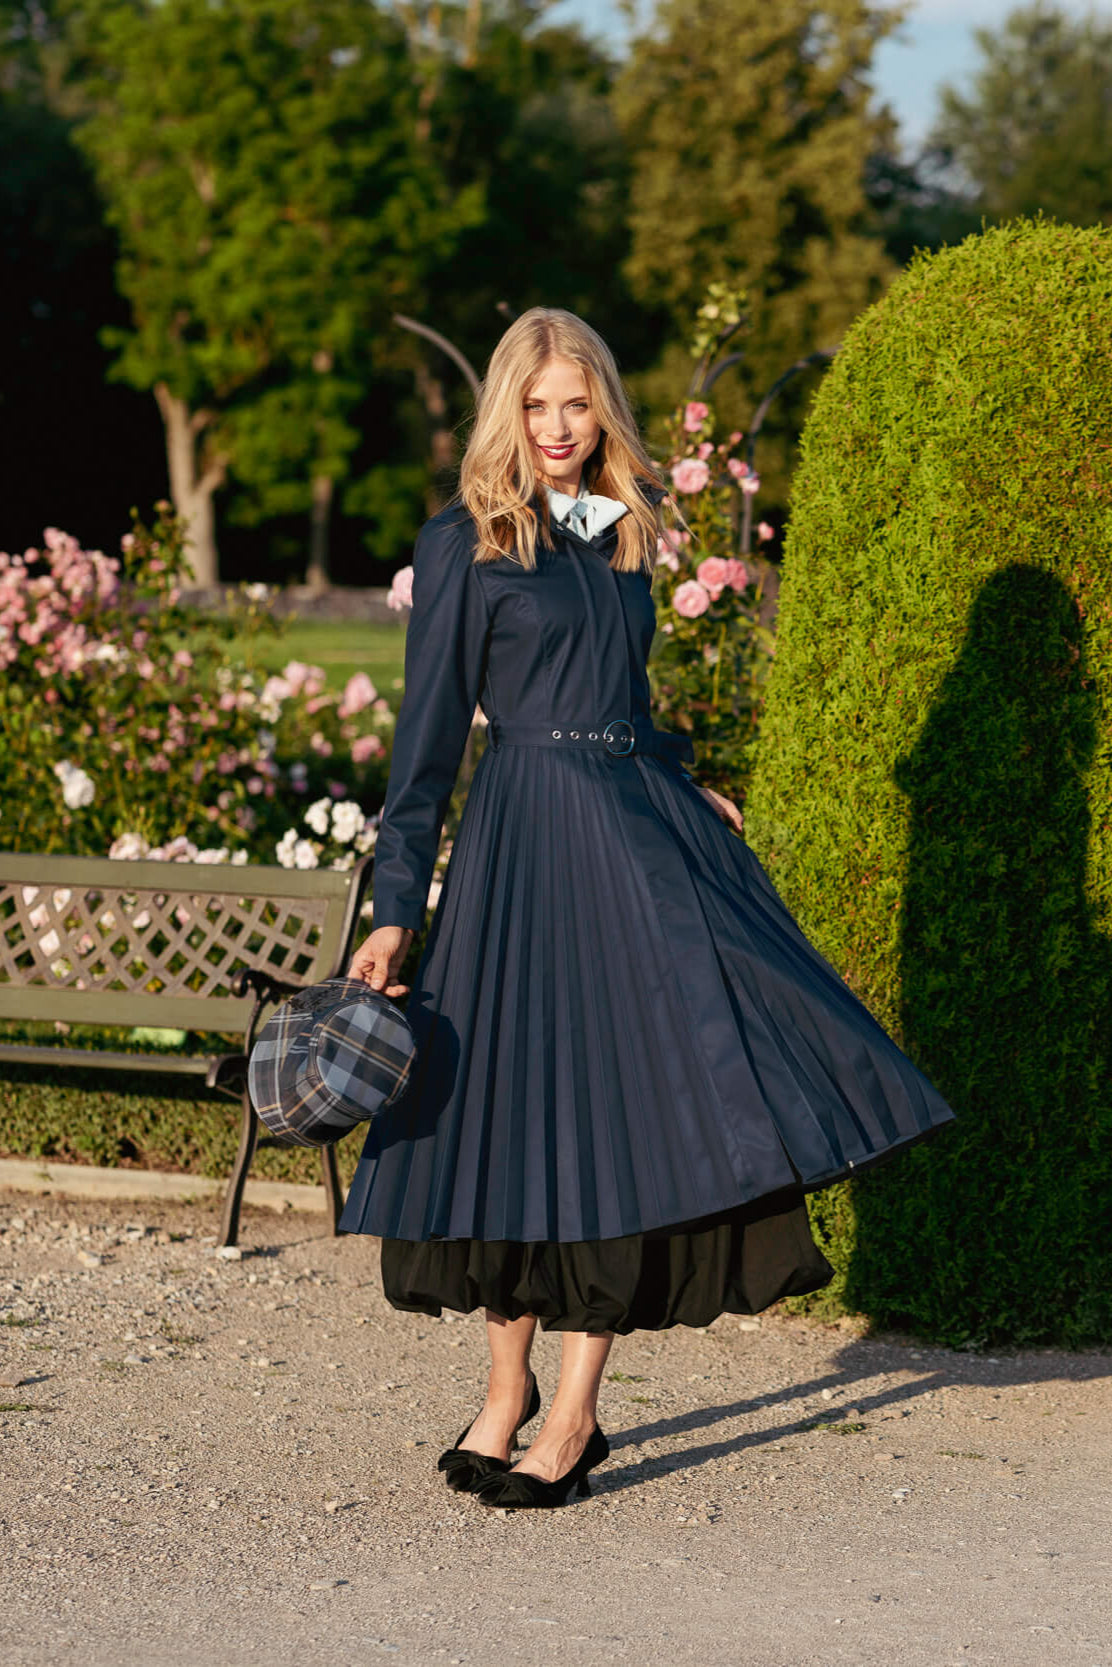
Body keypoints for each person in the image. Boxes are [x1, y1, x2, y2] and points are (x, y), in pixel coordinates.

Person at [340, 307, 955, 1511]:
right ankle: (502, 1392)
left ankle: (571, 1413)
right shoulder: (466, 541)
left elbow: (621, 696)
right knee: (504, 1118)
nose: (560, 429)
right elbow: (421, 756)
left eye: (577, 404)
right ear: (505, 413)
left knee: (611, 1116)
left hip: (627, 842)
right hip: (519, 848)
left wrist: (681, 776)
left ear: (601, 407)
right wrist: (397, 906)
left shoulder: (609, 528)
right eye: (537, 405)